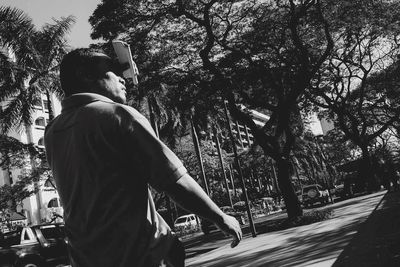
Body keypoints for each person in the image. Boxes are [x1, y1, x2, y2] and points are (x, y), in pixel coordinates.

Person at [44, 48, 242, 267]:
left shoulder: (53, 131)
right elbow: (174, 181)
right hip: (137, 256)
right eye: (113, 70)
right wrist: (220, 218)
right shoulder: (117, 115)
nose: (124, 78)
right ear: (87, 75)